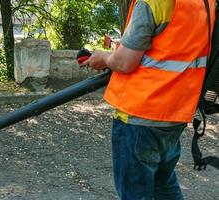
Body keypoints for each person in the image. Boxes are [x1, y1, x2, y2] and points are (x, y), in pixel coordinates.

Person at [81, 0, 216, 199]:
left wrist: (103, 57)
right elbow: (174, 47)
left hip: (141, 114)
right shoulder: (204, 2)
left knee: (136, 191)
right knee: (163, 184)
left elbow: (125, 62)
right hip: (176, 113)